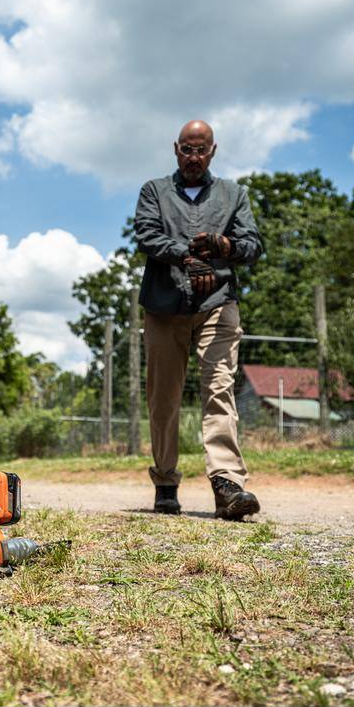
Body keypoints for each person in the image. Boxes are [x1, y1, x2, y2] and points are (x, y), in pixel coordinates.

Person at [133, 120, 264, 520]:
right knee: (163, 398)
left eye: (201, 150)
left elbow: (254, 244)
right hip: (164, 305)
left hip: (218, 303)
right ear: (176, 149)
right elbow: (146, 234)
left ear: (213, 150)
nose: (194, 158)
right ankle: (166, 482)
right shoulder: (154, 190)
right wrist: (185, 257)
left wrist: (226, 245)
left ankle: (227, 484)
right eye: (187, 150)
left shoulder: (234, 194)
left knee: (220, 390)